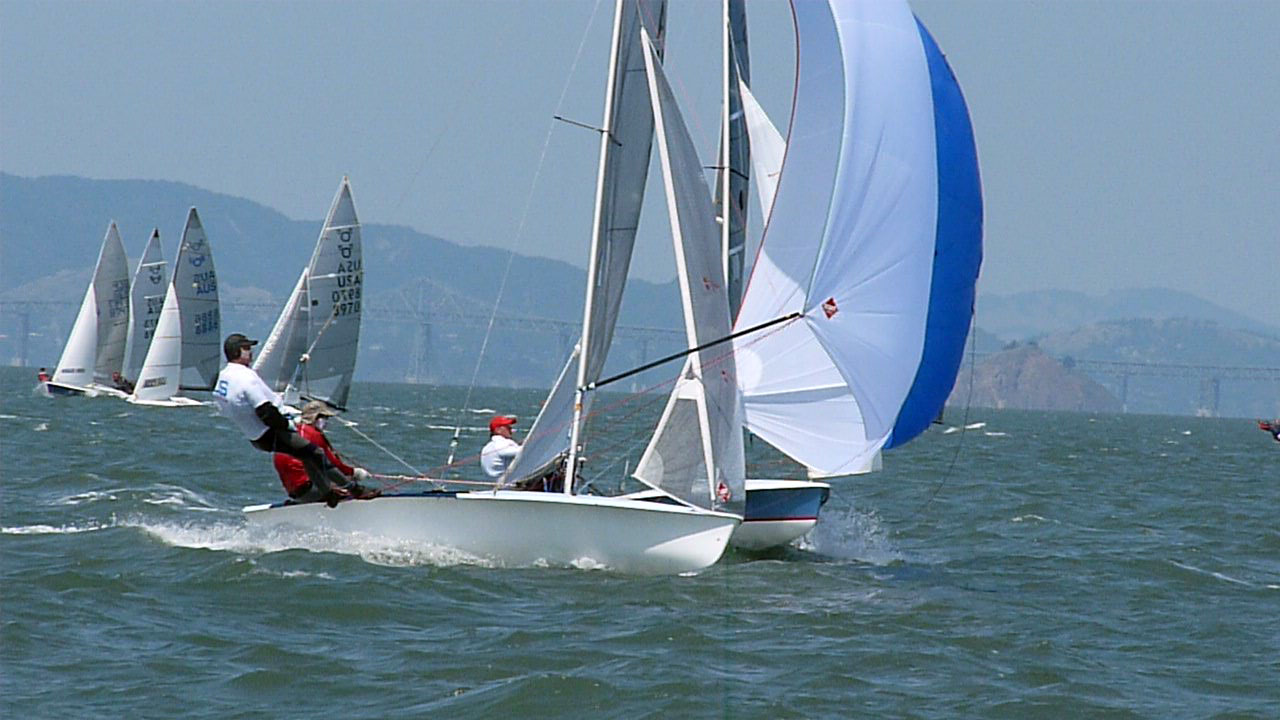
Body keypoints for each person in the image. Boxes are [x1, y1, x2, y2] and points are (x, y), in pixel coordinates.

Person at [212, 332, 370, 506]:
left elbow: (227, 405)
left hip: (255, 437)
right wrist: (288, 423)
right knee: (316, 453)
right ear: (236, 352)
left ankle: (328, 493)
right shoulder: (246, 377)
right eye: (247, 348)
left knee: (306, 455)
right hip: (271, 432)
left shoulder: (224, 377)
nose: (251, 352)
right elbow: (266, 412)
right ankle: (354, 490)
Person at [274, 400, 378, 503]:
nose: (326, 421)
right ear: (316, 417)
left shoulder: (291, 433)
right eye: (325, 418)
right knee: (347, 485)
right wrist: (354, 473)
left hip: (295, 493)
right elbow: (332, 464)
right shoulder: (313, 434)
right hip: (311, 490)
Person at [480, 415, 521, 479]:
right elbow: (523, 451)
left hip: (493, 482)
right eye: (507, 427)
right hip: (507, 482)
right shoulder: (501, 443)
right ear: (498, 430)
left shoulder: (487, 447)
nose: (511, 430)